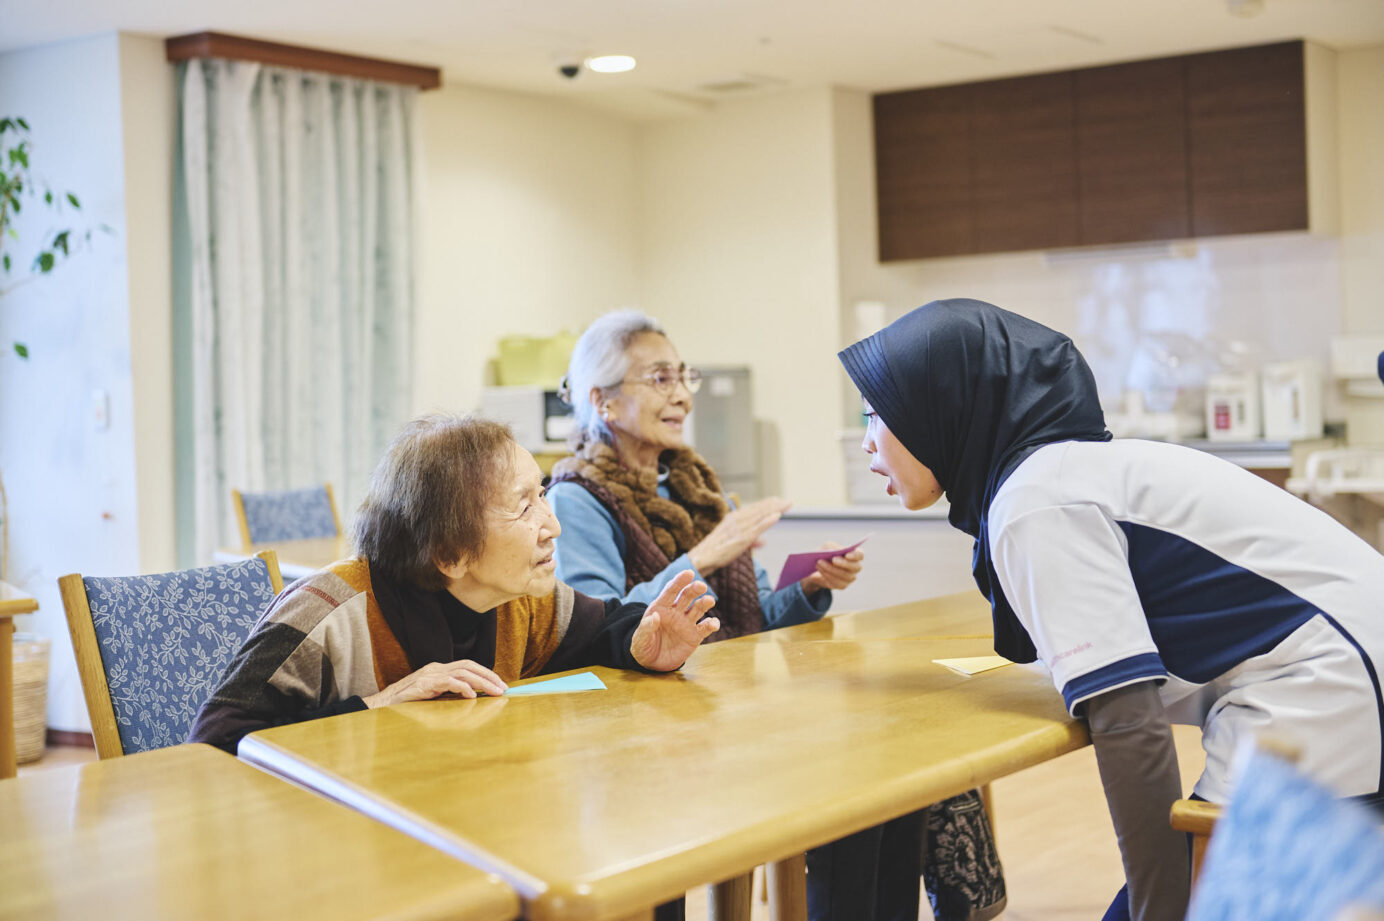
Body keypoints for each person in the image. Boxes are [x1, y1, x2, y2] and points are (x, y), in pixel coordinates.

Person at [838, 298, 1384, 921]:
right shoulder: (1063, 474)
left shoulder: (1034, 503)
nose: (866, 443)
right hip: (1348, 675)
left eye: (877, 414)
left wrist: (1160, 910)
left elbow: (1129, 725)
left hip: (1328, 694)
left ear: (938, 408)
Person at [548, 310, 1002, 921]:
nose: (681, 393)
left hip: (731, 704)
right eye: (659, 378)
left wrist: (809, 588)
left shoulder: (699, 489)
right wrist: (706, 554)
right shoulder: (576, 498)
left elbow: (757, 618)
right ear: (603, 401)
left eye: (683, 375)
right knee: (856, 766)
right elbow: (596, 624)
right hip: (648, 738)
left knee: (888, 764)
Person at [189, 414, 721, 756]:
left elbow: (602, 626)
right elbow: (213, 744)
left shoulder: (519, 598)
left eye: (544, 494)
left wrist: (643, 645)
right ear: (449, 554)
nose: (552, 524)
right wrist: (379, 706)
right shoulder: (329, 614)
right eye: (524, 506)